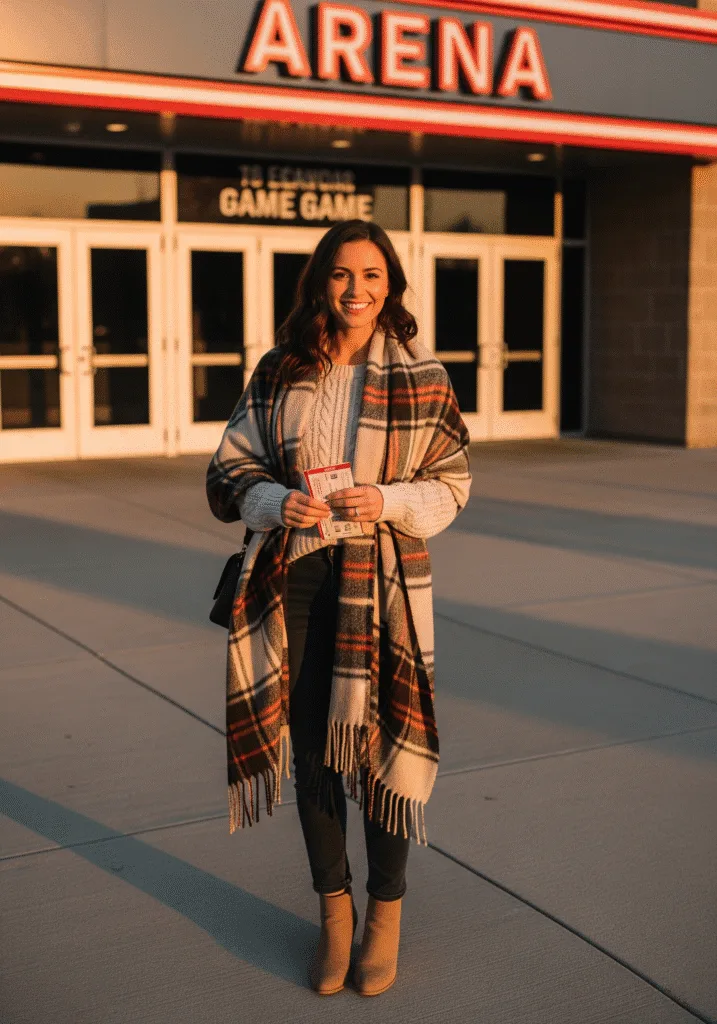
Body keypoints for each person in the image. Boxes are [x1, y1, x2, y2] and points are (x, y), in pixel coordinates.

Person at [206, 219, 471, 997]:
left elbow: (452, 484)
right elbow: (228, 469)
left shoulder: (424, 378)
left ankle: (384, 914)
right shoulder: (280, 369)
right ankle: (335, 914)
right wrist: (270, 499)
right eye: (341, 275)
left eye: (372, 276)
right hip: (294, 577)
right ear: (319, 281)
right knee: (316, 751)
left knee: (380, 741)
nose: (356, 290)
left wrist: (385, 497)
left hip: (381, 585)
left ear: (390, 288)